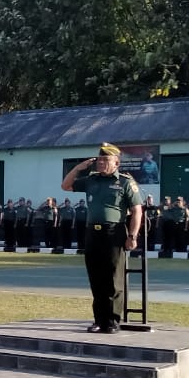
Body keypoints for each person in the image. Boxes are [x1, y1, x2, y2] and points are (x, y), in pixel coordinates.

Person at [61, 143, 143, 333]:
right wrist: (79, 168)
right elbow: (65, 186)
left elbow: (136, 211)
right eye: (99, 159)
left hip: (114, 233)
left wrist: (132, 235)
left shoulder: (125, 182)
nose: (101, 163)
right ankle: (99, 320)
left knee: (113, 278)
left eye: (105, 160)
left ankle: (113, 321)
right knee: (96, 278)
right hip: (93, 232)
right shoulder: (91, 180)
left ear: (116, 163)